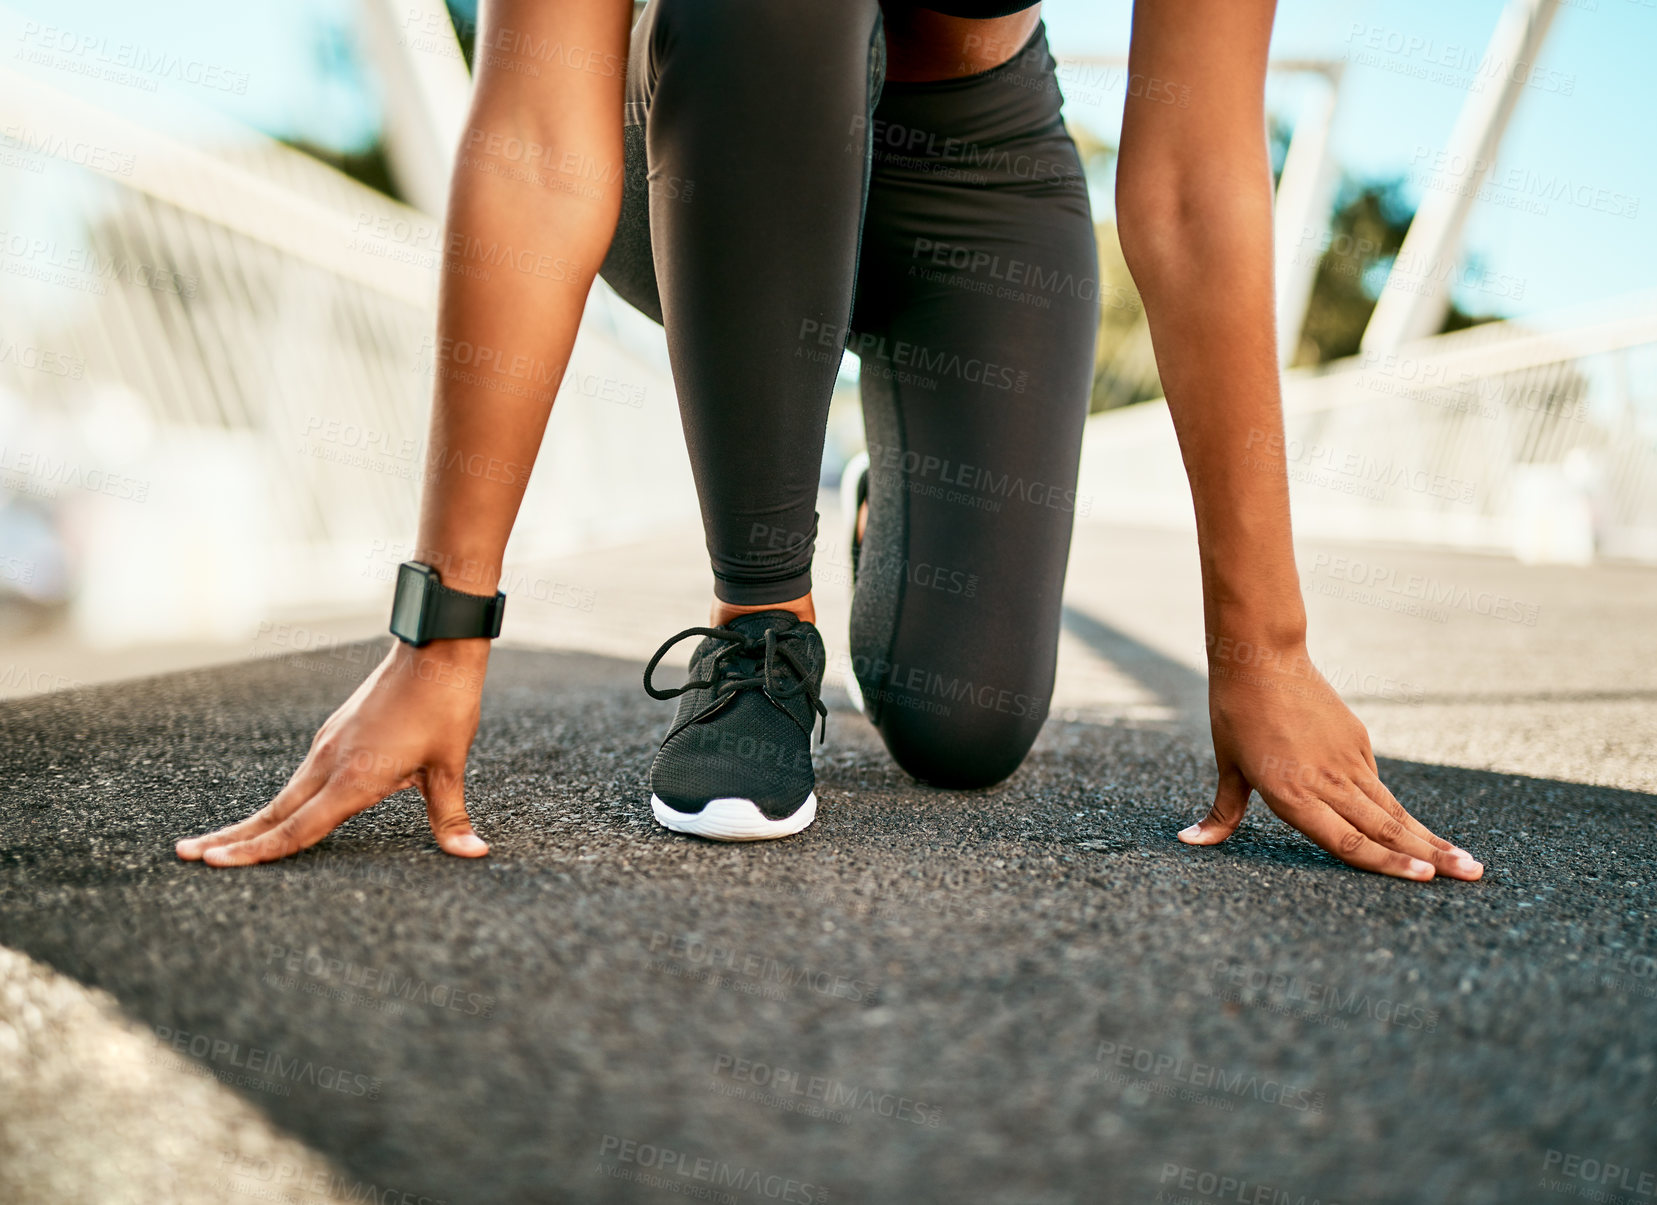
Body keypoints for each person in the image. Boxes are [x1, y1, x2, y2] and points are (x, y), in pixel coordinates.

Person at [177, 0, 1483, 882]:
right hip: (702, 147)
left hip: (978, 166)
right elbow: (533, 139)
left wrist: (1265, 654)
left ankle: (882, 509)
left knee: (962, 724)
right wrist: (438, 629)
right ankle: (761, 624)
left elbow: (1198, 186)